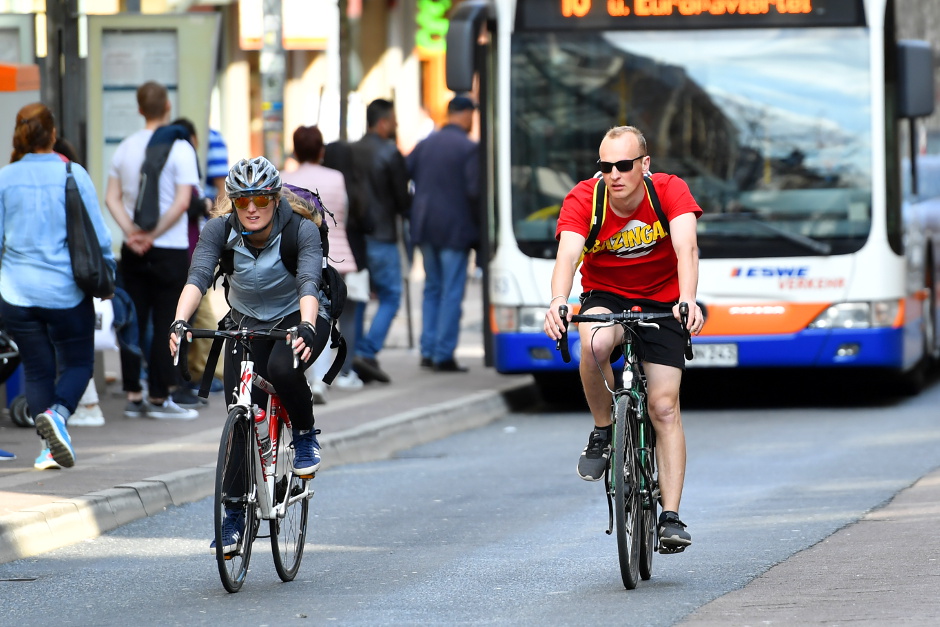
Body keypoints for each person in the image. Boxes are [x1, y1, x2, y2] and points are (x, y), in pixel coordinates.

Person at [543, 126, 704, 551]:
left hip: (664, 300)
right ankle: (602, 429)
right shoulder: (585, 198)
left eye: (624, 165)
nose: (613, 174)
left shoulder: (669, 191)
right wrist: (559, 300)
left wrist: (688, 300)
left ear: (644, 165)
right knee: (593, 344)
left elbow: (686, 247)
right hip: (607, 295)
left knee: (664, 407)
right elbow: (567, 254)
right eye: (605, 166)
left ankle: (669, 517)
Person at [169, 156, 331, 553]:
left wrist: (308, 326)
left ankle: (306, 434)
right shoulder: (219, 231)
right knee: (240, 414)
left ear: (275, 199)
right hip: (247, 320)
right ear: (234, 204)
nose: (252, 208)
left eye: (260, 199)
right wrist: (179, 322)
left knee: (282, 366)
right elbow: (199, 276)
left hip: (301, 314)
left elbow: (309, 280)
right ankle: (235, 518)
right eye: (243, 201)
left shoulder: (302, 231)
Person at [0, 102, 116, 469]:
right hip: (66, 292)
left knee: (36, 370)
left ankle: (48, 448)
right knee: (79, 363)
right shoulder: (73, 173)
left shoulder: (5, 178)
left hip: (16, 293)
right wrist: (108, 273)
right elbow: (98, 235)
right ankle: (61, 415)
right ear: (52, 134)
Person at [104, 81, 200, 420]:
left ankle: (133, 394)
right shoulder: (180, 147)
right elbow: (183, 202)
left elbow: (111, 198)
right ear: (167, 107)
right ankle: (161, 397)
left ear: (139, 108)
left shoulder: (125, 148)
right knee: (166, 323)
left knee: (131, 319)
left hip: (132, 251)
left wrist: (133, 233)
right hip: (169, 249)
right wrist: (154, 233)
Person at [283, 125, 364, 397]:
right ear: (321, 151)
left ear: (295, 149)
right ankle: (320, 379)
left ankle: (306, 375)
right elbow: (343, 213)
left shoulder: (283, 179)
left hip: (297, 257)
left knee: (302, 315)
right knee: (327, 319)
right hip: (335, 256)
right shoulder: (337, 178)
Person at [406, 95, 480, 373]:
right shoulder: (469, 148)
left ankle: (428, 350)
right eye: (471, 114)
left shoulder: (425, 144)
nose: (473, 120)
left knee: (432, 289)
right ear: (462, 114)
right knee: (451, 292)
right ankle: (443, 354)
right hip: (455, 229)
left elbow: (404, 172)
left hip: (425, 226)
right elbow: (474, 192)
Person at [349, 99, 411, 384]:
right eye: (394, 119)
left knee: (360, 296)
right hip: (383, 235)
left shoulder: (352, 150)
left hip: (358, 236)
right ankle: (367, 350)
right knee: (391, 296)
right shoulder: (389, 152)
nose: (397, 125)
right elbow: (402, 198)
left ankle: (354, 354)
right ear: (384, 122)